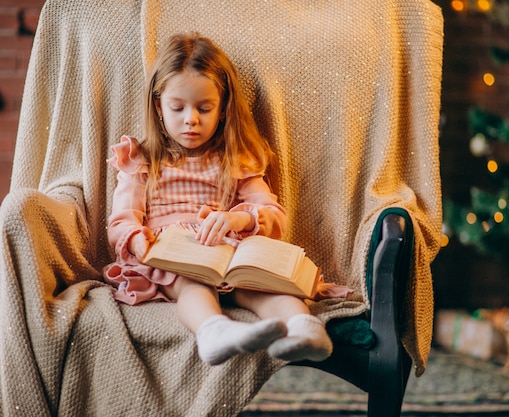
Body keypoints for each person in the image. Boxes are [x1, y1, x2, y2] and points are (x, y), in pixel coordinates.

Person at [103, 32, 341, 366]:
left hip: (224, 252)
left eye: (204, 108)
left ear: (223, 107)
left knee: (259, 281)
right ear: (158, 106)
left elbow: (272, 213)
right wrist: (139, 244)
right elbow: (122, 220)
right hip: (170, 256)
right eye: (178, 107)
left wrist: (236, 219)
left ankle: (304, 329)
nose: (191, 119)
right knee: (190, 282)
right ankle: (214, 331)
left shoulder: (235, 159)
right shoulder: (140, 159)